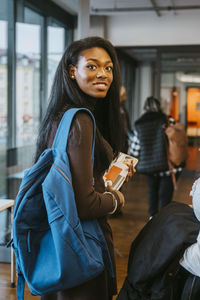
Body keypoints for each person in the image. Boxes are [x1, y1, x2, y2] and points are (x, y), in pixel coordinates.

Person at [34, 36, 134, 300]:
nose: (102, 73)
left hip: (60, 245)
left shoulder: (60, 116)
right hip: (84, 248)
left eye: (108, 67)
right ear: (71, 71)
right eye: (91, 66)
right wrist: (117, 199)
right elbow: (84, 205)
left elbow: (73, 185)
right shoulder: (81, 120)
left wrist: (109, 180)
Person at [129, 96, 182, 218]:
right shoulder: (168, 120)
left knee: (152, 192)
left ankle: (152, 218)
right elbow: (176, 140)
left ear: (144, 108)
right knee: (165, 197)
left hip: (150, 168)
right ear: (159, 107)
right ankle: (163, 221)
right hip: (168, 166)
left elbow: (135, 149)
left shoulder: (139, 124)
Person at [119, 86, 133, 153]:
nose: (126, 97)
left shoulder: (122, 108)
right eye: (124, 94)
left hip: (123, 139)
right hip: (119, 139)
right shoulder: (119, 109)